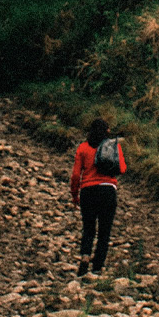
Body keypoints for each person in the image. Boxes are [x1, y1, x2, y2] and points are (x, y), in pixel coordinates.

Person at [69, 118, 126, 277]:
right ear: (107, 131)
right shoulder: (114, 146)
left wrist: (75, 195)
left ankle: (85, 257)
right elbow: (122, 168)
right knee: (104, 231)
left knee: (88, 229)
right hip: (108, 191)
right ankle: (97, 267)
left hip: (87, 191)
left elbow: (75, 175)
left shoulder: (83, 148)